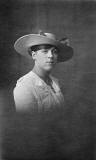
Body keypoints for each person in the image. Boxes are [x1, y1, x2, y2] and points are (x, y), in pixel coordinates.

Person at [13, 30, 73, 112]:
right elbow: (26, 123)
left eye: (54, 52)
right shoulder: (25, 86)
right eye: (45, 51)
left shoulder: (56, 83)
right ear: (34, 55)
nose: (50, 56)